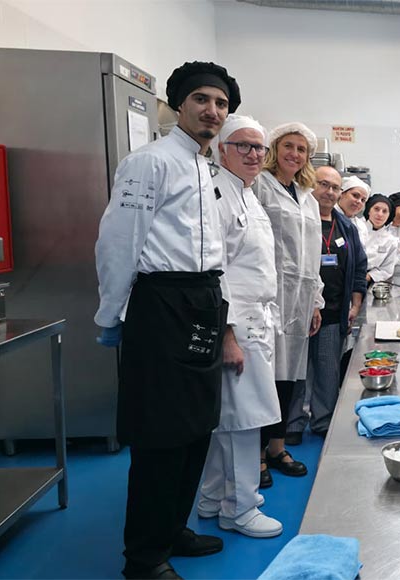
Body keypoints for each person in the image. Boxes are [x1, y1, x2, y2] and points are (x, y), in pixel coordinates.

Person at [94, 61, 240, 579]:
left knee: (197, 427)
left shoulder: (206, 169)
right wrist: (112, 313)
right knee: (160, 436)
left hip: (202, 300)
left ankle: (172, 529)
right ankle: (144, 558)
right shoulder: (149, 162)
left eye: (221, 103)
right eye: (202, 99)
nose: (212, 110)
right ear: (179, 104)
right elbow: (118, 241)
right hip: (160, 307)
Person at [195, 115, 283, 538]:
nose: (253, 154)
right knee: (243, 422)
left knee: (231, 418)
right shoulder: (216, 197)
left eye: (258, 148)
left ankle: (214, 498)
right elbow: (215, 272)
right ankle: (240, 509)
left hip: (257, 321)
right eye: (243, 146)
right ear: (221, 149)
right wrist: (227, 334)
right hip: (236, 324)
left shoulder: (247, 194)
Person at [254, 122, 323, 480]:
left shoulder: (306, 196)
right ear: (274, 149)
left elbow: (313, 254)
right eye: (289, 146)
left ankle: (277, 448)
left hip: (299, 298)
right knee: (263, 376)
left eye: (301, 150)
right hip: (269, 294)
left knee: (289, 379)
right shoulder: (259, 187)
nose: (294, 154)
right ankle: (257, 456)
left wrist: (316, 301)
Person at [286, 166, 367, 441]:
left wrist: (355, 306)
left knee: (327, 371)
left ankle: (323, 423)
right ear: (311, 185)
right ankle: (293, 424)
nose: (329, 192)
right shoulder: (299, 218)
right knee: (295, 371)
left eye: (334, 187)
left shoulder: (346, 226)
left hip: (334, 311)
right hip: (298, 310)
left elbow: (359, 269)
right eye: (323, 185)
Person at [362, 194, 400, 283]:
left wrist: (368, 276)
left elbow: (387, 269)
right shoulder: (356, 229)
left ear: (389, 216)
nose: (380, 214)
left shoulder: (391, 240)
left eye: (384, 211)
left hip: (369, 281)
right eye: (376, 209)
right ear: (369, 211)